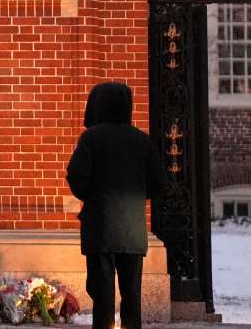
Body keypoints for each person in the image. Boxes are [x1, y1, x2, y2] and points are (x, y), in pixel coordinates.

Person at [66, 82, 167, 329]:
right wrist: (135, 197)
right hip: (132, 230)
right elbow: (159, 182)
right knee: (131, 297)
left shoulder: (91, 138)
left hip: (100, 228)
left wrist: (92, 195)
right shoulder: (142, 140)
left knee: (102, 296)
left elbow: (77, 177)